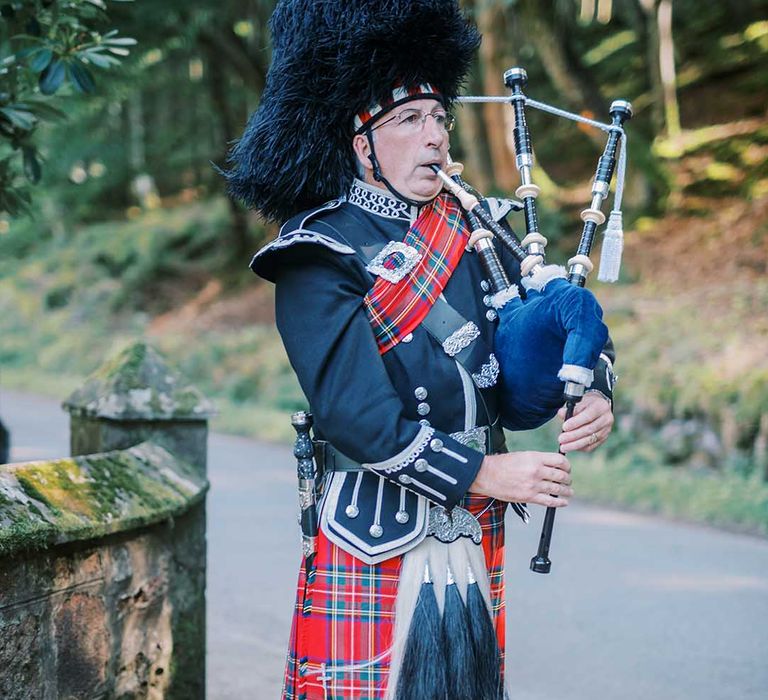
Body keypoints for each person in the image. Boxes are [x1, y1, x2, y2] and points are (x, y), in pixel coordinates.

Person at [219, 2, 616, 698]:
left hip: (470, 528)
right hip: (376, 533)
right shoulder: (317, 253)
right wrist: (485, 475)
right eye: (408, 120)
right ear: (356, 138)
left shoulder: (477, 226)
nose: (434, 137)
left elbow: (543, 329)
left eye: (439, 118)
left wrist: (597, 383)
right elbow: (355, 417)